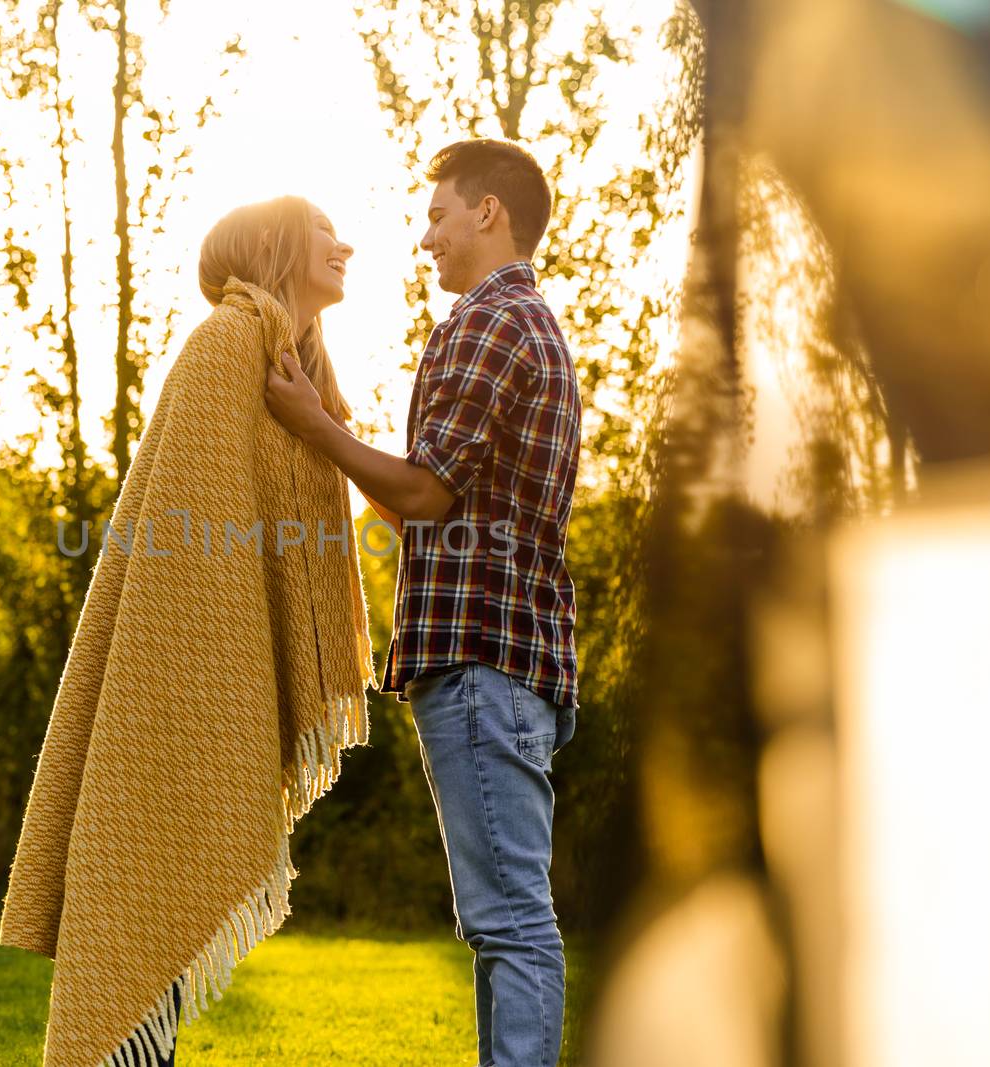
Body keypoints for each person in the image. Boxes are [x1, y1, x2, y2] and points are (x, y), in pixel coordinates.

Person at [0, 191, 371, 1067]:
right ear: (277, 244)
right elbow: (192, 564)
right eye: (324, 230)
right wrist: (216, 676)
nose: (343, 243)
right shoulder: (227, 344)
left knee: (165, 901)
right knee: (151, 883)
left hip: (212, 680)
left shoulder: (292, 363)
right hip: (176, 685)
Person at [264, 137, 580, 1067]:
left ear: (489, 212)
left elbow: (424, 494)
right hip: (506, 664)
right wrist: (332, 419)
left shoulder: (490, 322)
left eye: (439, 214)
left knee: (511, 921)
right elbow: (424, 507)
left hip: (486, 663)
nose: (425, 236)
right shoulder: (521, 324)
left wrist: (316, 428)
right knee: (500, 922)